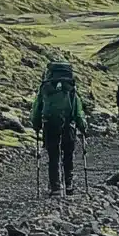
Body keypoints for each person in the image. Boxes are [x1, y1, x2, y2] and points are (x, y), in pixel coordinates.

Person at [31, 62, 87, 195]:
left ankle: (55, 187)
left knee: (53, 156)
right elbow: (78, 111)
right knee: (68, 155)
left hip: (50, 124)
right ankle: (69, 184)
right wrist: (83, 126)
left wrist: (36, 124)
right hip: (68, 125)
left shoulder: (45, 88)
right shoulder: (71, 88)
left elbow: (37, 108)